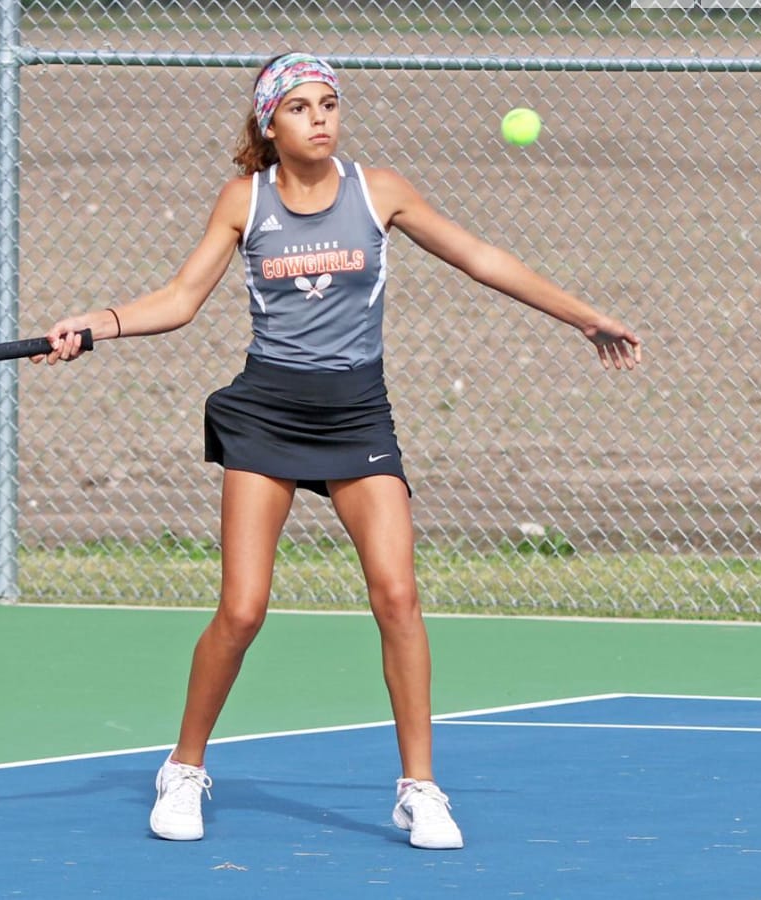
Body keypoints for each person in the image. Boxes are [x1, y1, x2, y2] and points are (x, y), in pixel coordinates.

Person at [34, 52, 641, 849]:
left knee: (397, 596)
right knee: (243, 608)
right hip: (266, 415)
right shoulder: (243, 202)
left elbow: (480, 258)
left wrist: (581, 315)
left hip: (358, 417)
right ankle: (183, 767)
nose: (319, 117)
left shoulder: (377, 191)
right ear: (268, 124)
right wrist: (96, 324)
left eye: (329, 103)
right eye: (300, 107)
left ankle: (420, 789)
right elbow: (180, 300)